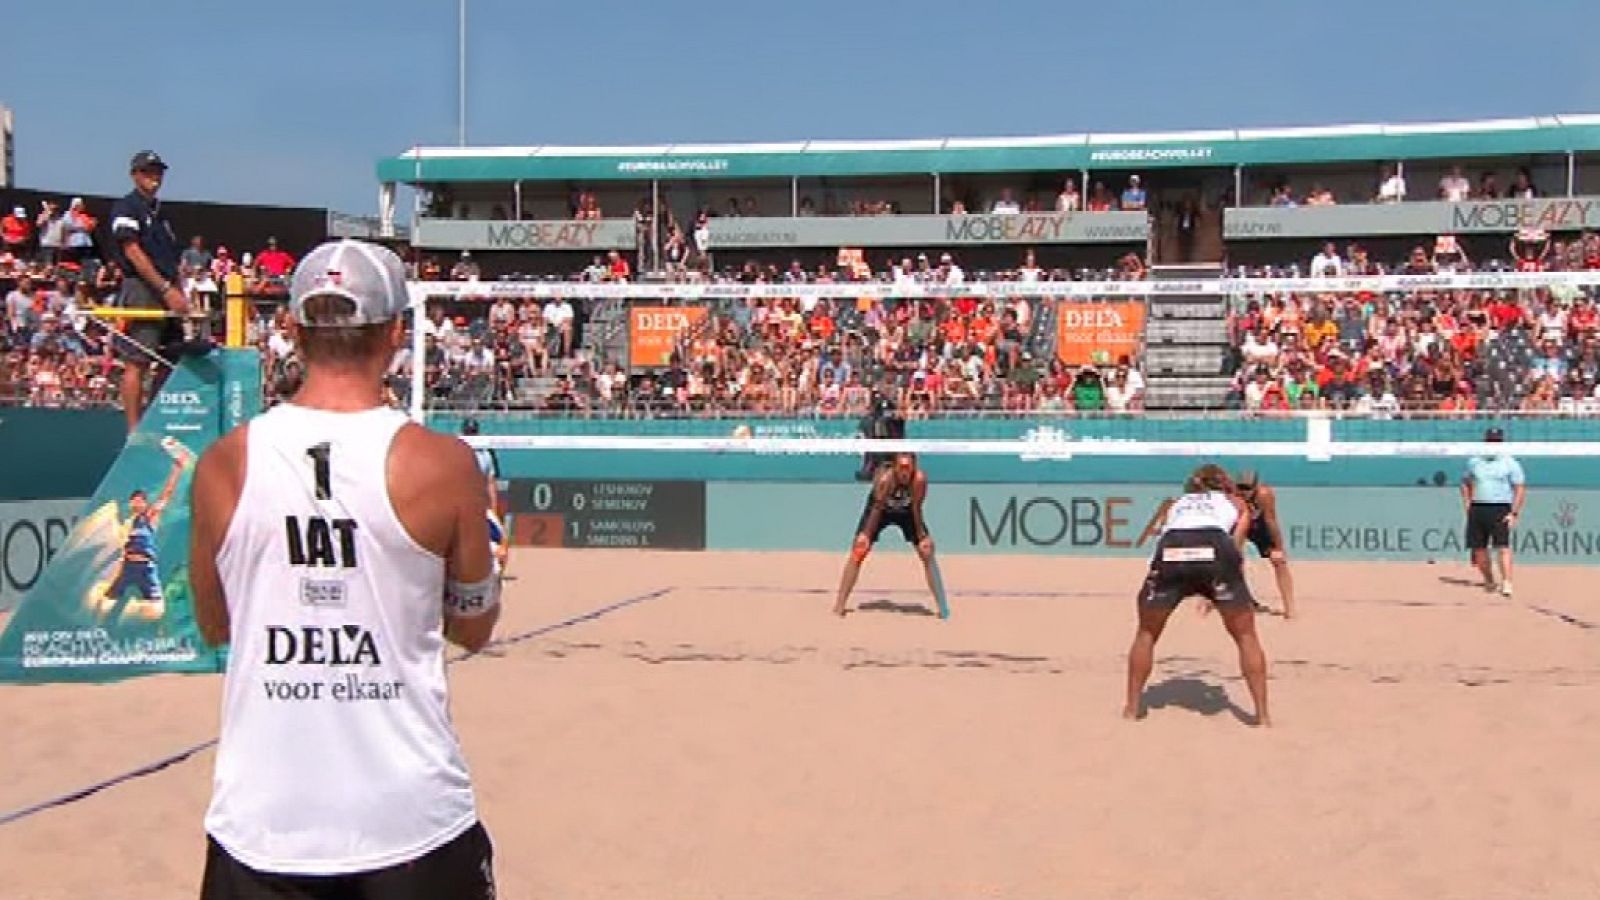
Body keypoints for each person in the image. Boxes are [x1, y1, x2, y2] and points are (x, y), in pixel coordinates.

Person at [188, 239, 500, 898]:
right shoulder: (443, 464)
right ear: (396, 333)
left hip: (265, 822)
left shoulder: (225, 463)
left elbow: (215, 625)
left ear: (293, 329)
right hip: (408, 820)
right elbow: (473, 628)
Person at [1124, 464, 1271, 727]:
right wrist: (1225, 589)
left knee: (1146, 633)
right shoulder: (1236, 503)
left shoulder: (1177, 504)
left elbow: (1163, 539)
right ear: (1223, 483)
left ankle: (1132, 709)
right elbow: (1235, 548)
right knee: (1246, 635)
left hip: (1172, 550)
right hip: (1215, 548)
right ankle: (1262, 716)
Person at [109, 150, 190, 434]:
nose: (154, 177)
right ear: (135, 175)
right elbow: (132, 251)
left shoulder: (162, 214)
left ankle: (152, 421)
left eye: (157, 171)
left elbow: (173, 258)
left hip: (167, 286)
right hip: (143, 287)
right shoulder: (126, 207)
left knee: (171, 358)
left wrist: (179, 289)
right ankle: (134, 431)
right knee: (138, 359)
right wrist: (165, 288)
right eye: (147, 171)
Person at [833, 451, 944, 618]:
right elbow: (877, 507)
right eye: (901, 467)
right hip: (881, 510)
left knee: (927, 551)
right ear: (895, 467)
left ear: (914, 467)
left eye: (908, 467)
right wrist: (866, 535)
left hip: (907, 512)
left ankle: (942, 608)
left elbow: (916, 508)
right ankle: (839, 606)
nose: (905, 472)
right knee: (859, 549)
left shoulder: (919, 480)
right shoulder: (885, 480)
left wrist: (922, 536)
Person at [100, 436, 191, 623]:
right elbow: (120, 549)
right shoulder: (126, 522)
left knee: (157, 609)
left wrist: (177, 468)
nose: (138, 503)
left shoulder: (150, 516)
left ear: (145, 502)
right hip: (127, 567)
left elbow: (166, 494)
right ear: (131, 503)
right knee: (106, 603)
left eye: (141, 500)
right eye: (135, 500)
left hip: (146, 568)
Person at [1462, 426, 1526, 596]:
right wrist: (1468, 504)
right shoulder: (1474, 462)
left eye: (1496, 441)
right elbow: (1465, 483)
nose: (1493, 444)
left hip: (1500, 507)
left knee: (1503, 547)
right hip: (1478, 507)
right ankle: (1489, 579)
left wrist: (1514, 512)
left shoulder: (1510, 463)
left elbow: (1519, 488)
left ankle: (1507, 582)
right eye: (1491, 441)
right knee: (1479, 549)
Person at [1234, 469, 1297, 618]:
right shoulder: (1233, 496)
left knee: (1279, 562)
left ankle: (1290, 608)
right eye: (1240, 487)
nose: (1243, 492)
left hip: (1259, 526)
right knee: (1235, 560)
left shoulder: (1264, 495)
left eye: (1247, 488)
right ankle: (1244, 601)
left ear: (1255, 486)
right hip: (1240, 523)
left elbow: (1271, 521)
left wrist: (1279, 547)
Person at [462, 418, 509, 575]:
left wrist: (494, 509)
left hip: (481, 505)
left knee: (498, 539)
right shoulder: (457, 451)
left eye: (473, 433)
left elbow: (490, 483)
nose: (471, 436)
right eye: (468, 433)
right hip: (462, 505)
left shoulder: (486, 454)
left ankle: (495, 571)